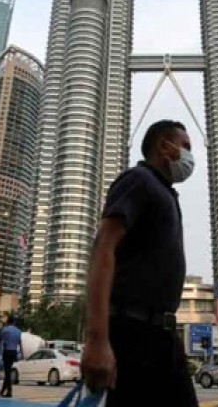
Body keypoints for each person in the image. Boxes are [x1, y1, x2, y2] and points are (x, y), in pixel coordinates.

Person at [80, 120, 198, 406]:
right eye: (185, 147)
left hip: (163, 336)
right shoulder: (138, 180)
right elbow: (103, 248)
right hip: (131, 335)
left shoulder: (166, 192)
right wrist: (97, 340)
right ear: (163, 146)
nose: (189, 156)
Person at [0, 315, 23, 397]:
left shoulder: (5, 330)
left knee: (7, 372)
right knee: (8, 372)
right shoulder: (19, 331)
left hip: (7, 351)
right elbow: (20, 343)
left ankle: (9, 391)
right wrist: (22, 354)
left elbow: (1, 341)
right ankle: (2, 391)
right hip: (14, 352)